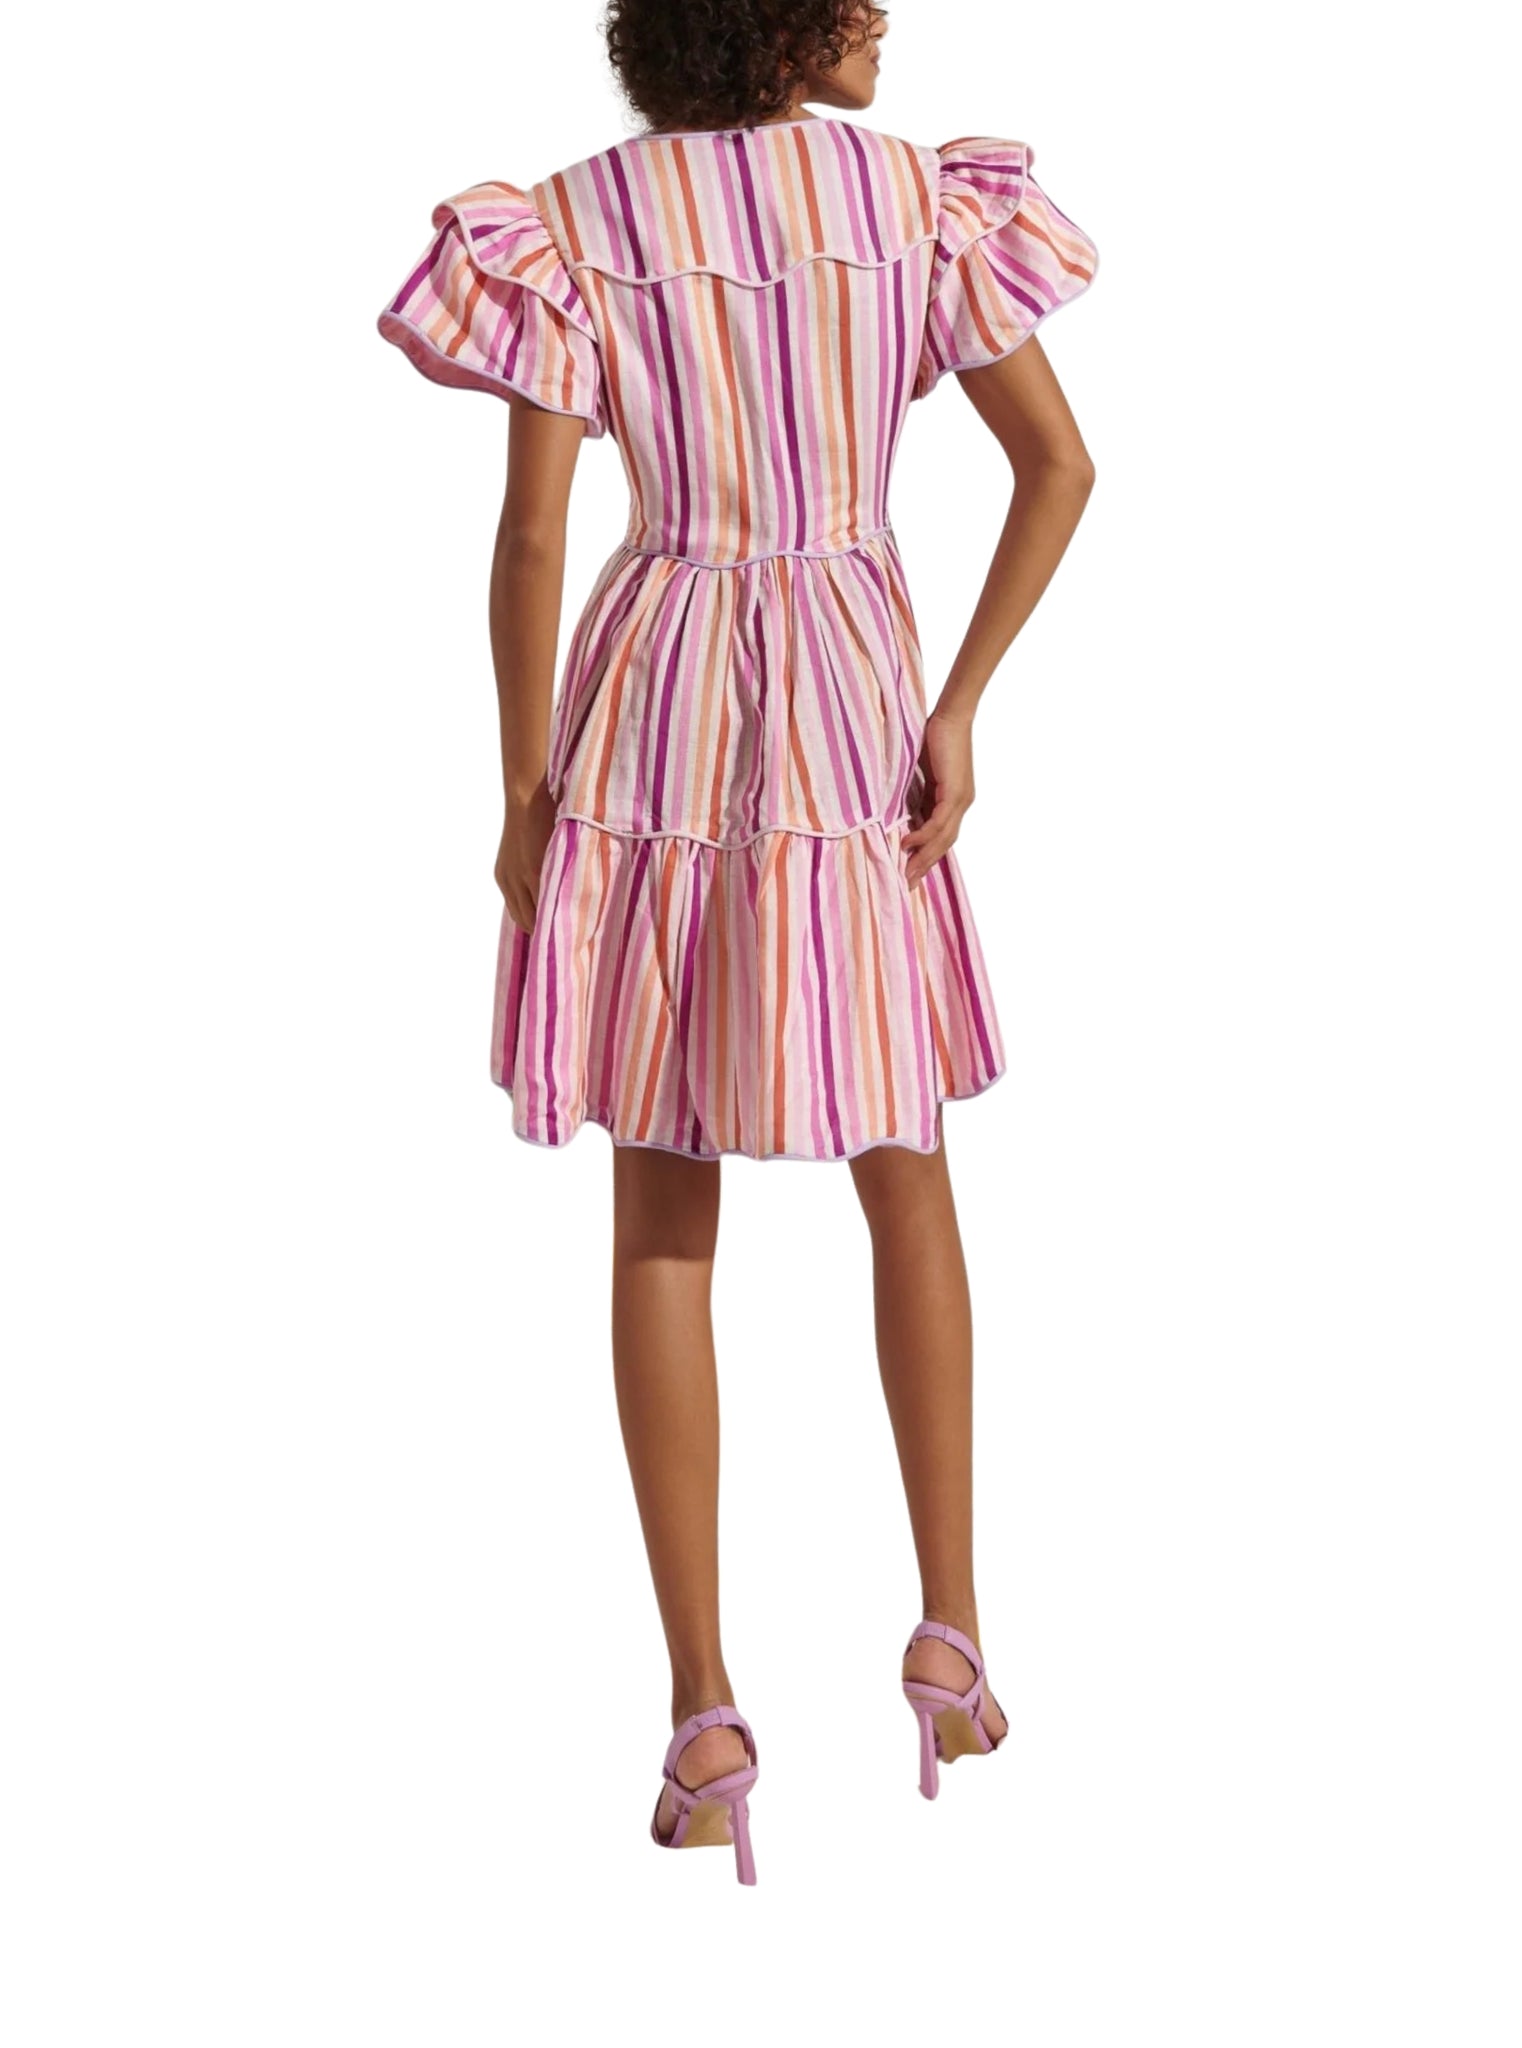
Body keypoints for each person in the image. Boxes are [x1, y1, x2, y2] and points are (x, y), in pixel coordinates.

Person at [376, 0, 1098, 1885]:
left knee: (660, 1200)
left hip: (656, 700)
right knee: (905, 1161)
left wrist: (523, 785)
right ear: (789, 21)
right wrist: (960, 705)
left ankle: (704, 1716)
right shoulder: (916, 203)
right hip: (855, 687)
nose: (887, 19)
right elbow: (1061, 468)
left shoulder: (571, 222)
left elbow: (534, 542)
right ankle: (953, 1639)